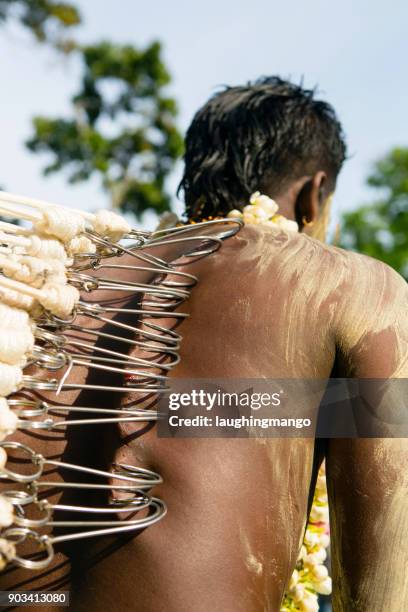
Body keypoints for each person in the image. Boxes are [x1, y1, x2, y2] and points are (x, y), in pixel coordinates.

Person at [3, 77, 408, 612]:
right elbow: (387, 593)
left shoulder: (56, 280)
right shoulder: (355, 289)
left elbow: (217, 410)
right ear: (314, 195)